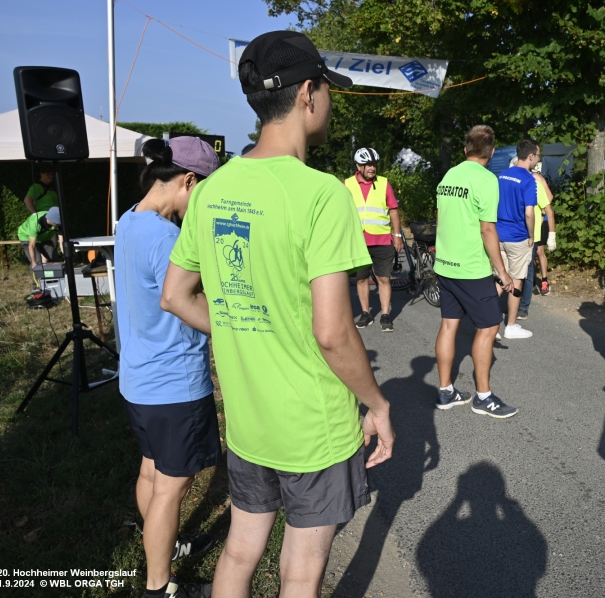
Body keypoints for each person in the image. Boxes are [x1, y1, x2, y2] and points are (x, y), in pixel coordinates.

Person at [160, 31, 395, 598]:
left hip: (249, 423)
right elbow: (332, 333)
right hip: (313, 427)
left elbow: (175, 296)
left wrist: (243, 326)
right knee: (302, 570)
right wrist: (378, 404)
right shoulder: (322, 194)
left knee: (241, 551)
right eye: (328, 89)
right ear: (309, 93)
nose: (329, 101)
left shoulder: (212, 190)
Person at [115, 137, 221, 598]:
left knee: (152, 471)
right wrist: (232, 327)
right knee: (172, 488)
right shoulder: (167, 238)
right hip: (174, 383)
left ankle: (165, 544)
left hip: (138, 380)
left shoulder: (128, 221)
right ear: (188, 181)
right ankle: (159, 587)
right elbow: (179, 300)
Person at [433, 124, 519, 418]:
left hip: (445, 265)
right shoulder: (486, 179)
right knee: (489, 327)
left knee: (449, 325)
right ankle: (483, 397)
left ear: (465, 149)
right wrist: (503, 272)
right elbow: (487, 229)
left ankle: (446, 391)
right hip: (471, 268)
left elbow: (441, 216)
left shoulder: (449, 175)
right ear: (492, 152)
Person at [346, 147, 404, 332]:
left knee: (384, 278)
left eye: (374, 164)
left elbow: (393, 210)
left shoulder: (384, 183)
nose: (372, 168)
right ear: (358, 166)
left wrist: (397, 235)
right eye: (368, 165)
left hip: (381, 240)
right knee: (361, 279)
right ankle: (366, 313)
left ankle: (385, 315)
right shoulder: (347, 184)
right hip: (357, 241)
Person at [495, 139, 540, 339]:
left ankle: (489, 325)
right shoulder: (529, 180)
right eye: (538, 156)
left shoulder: (501, 175)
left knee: (499, 278)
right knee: (516, 280)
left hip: (498, 234)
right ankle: (511, 326)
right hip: (518, 236)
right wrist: (532, 235)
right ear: (531, 156)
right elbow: (529, 213)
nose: (538, 159)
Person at [517, 164, 556, 319]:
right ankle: (529, 284)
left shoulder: (536, 178)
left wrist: (541, 210)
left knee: (539, 252)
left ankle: (544, 280)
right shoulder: (521, 180)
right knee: (529, 259)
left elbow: (549, 197)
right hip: (527, 226)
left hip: (540, 221)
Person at [17, 206, 62, 289]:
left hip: (44, 238)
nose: (59, 225)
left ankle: (56, 286)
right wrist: (33, 262)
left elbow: (61, 241)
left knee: (55, 261)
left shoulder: (58, 224)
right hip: (27, 237)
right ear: (53, 221)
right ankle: (36, 288)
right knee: (37, 264)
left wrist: (66, 255)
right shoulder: (35, 223)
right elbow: (31, 246)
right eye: (58, 223)